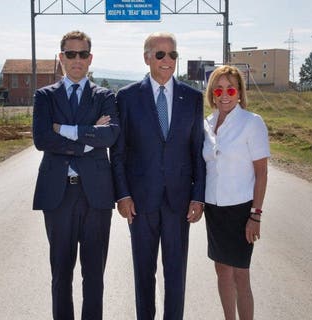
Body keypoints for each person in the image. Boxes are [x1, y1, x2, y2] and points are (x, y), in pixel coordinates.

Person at [110, 31, 206, 320]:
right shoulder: (126, 97)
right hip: (140, 201)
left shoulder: (192, 97)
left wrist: (198, 196)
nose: (168, 61)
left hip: (179, 201)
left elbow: (198, 150)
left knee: (176, 273)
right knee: (143, 273)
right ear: (146, 58)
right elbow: (119, 152)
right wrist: (123, 194)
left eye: (173, 55)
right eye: (160, 54)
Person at [32, 30, 120, 320]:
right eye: (71, 54)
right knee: (61, 274)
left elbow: (109, 136)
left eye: (83, 54)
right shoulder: (45, 97)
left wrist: (66, 131)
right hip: (58, 196)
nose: (77, 60)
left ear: (90, 58)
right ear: (61, 58)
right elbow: (42, 139)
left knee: (94, 275)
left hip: (95, 195)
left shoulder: (105, 96)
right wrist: (87, 137)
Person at [202, 65, 270, 320]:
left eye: (230, 89)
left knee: (241, 273)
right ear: (212, 93)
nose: (225, 95)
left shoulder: (252, 123)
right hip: (214, 209)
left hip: (242, 209)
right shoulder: (206, 124)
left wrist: (256, 215)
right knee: (221, 270)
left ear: (239, 92)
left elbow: (261, 173)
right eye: (218, 90)